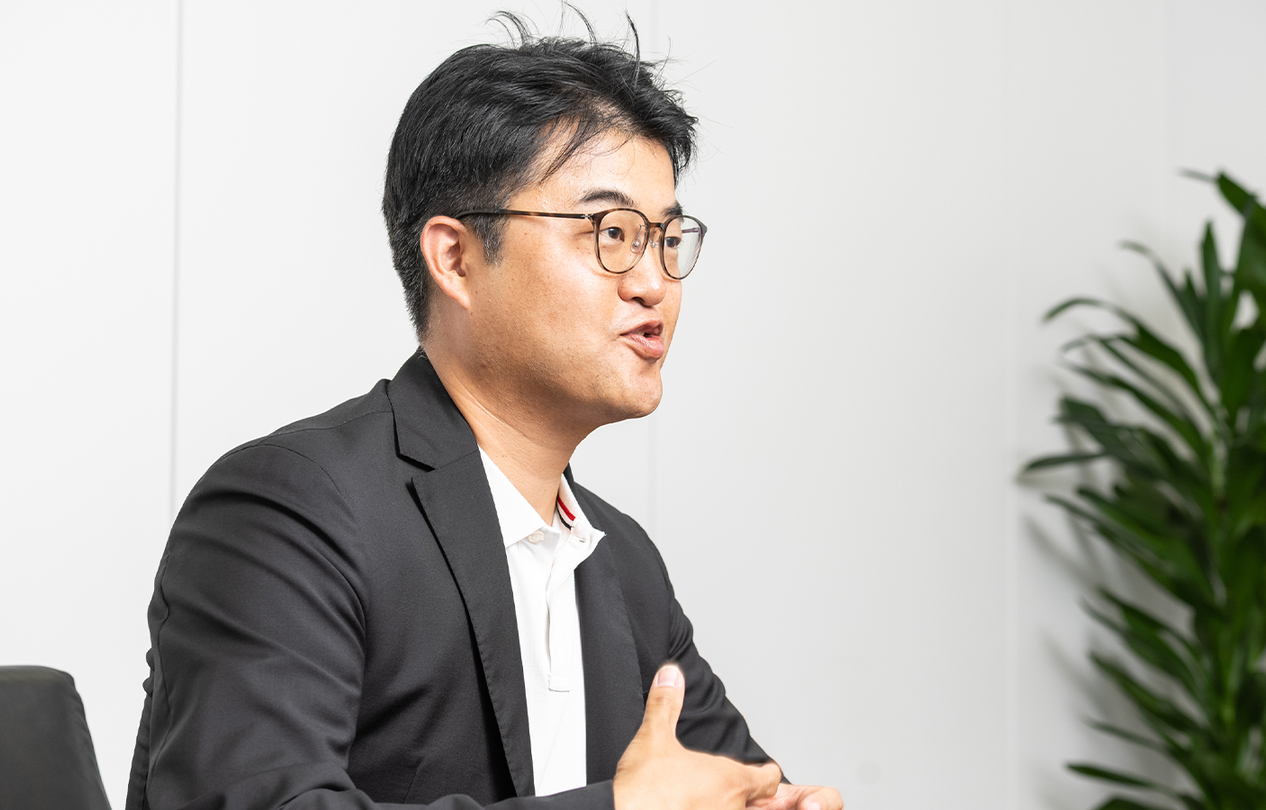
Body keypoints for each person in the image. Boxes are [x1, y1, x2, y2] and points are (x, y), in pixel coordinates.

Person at [126, 15, 841, 810]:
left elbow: (736, 790)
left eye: (668, 239)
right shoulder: (294, 510)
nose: (653, 283)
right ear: (456, 258)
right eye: (612, 232)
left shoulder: (624, 564)